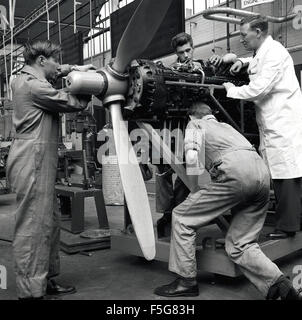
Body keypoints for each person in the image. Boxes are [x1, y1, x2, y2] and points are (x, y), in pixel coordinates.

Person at [154, 101, 302, 300]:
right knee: (241, 244)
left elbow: (191, 160)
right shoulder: (227, 127)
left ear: (191, 116)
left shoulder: (195, 125)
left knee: (182, 217)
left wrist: (194, 190)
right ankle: (280, 287)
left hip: (236, 174)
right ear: (211, 114)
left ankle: (186, 282)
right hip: (262, 175)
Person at [6, 40, 94, 300]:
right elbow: (73, 102)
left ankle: (46, 280)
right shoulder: (34, 86)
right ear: (42, 61)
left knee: (50, 222)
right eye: (55, 61)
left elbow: (55, 71)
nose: (59, 66)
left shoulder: (25, 77)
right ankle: (31, 291)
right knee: (33, 226)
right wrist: (93, 81)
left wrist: (73, 68)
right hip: (31, 160)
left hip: (39, 159)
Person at [219, 16, 302, 240]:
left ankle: (288, 228)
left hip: (282, 122)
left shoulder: (274, 53)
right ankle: (291, 221)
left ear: (257, 31)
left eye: (243, 35)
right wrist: (242, 61)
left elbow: (259, 88)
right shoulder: (264, 51)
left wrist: (229, 89)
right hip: (271, 122)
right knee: (279, 173)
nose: (241, 39)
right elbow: (257, 63)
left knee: (286, 175)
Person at [155, 32, 202, 237]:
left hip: (189, 128)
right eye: (181, 52)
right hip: (168, 127)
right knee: (164, 172)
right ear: (176, 53)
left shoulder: (200, 68)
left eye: (188, 50)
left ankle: (178, 212)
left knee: (186, 174)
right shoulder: (168, 70)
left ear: (192, 47)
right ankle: (167, 214)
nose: (186, 55)